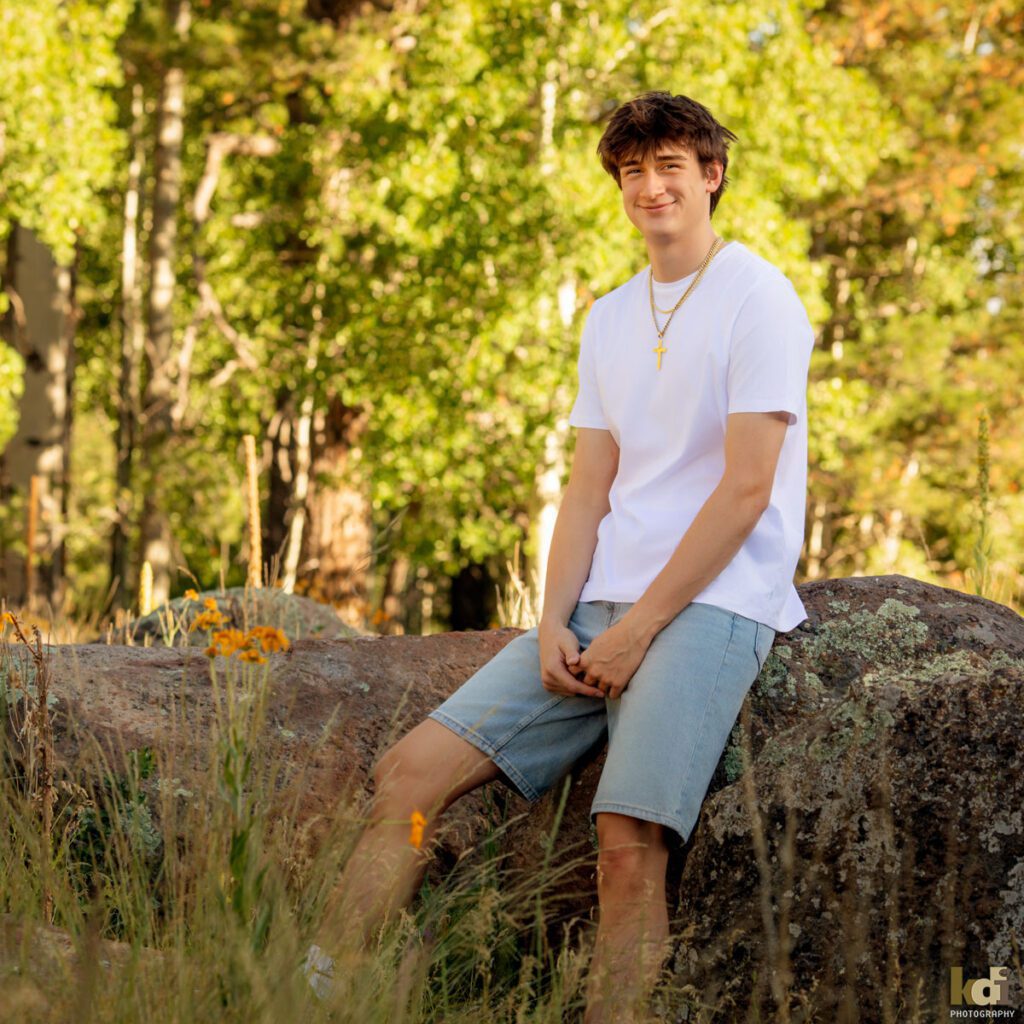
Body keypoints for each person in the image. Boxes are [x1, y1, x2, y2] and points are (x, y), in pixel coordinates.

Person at [304, 90, 816, 1023]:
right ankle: (311, 992)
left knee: (626, 843)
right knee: (408, 783)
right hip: (595, 612)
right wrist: (550, 621)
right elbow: (587, 489)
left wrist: (639, 633)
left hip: (711, 606)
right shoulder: (611, 316)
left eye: (671, 167)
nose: (650, 187)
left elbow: (747, 490)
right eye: (632, 171)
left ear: (712, 175)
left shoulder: (760, 297)